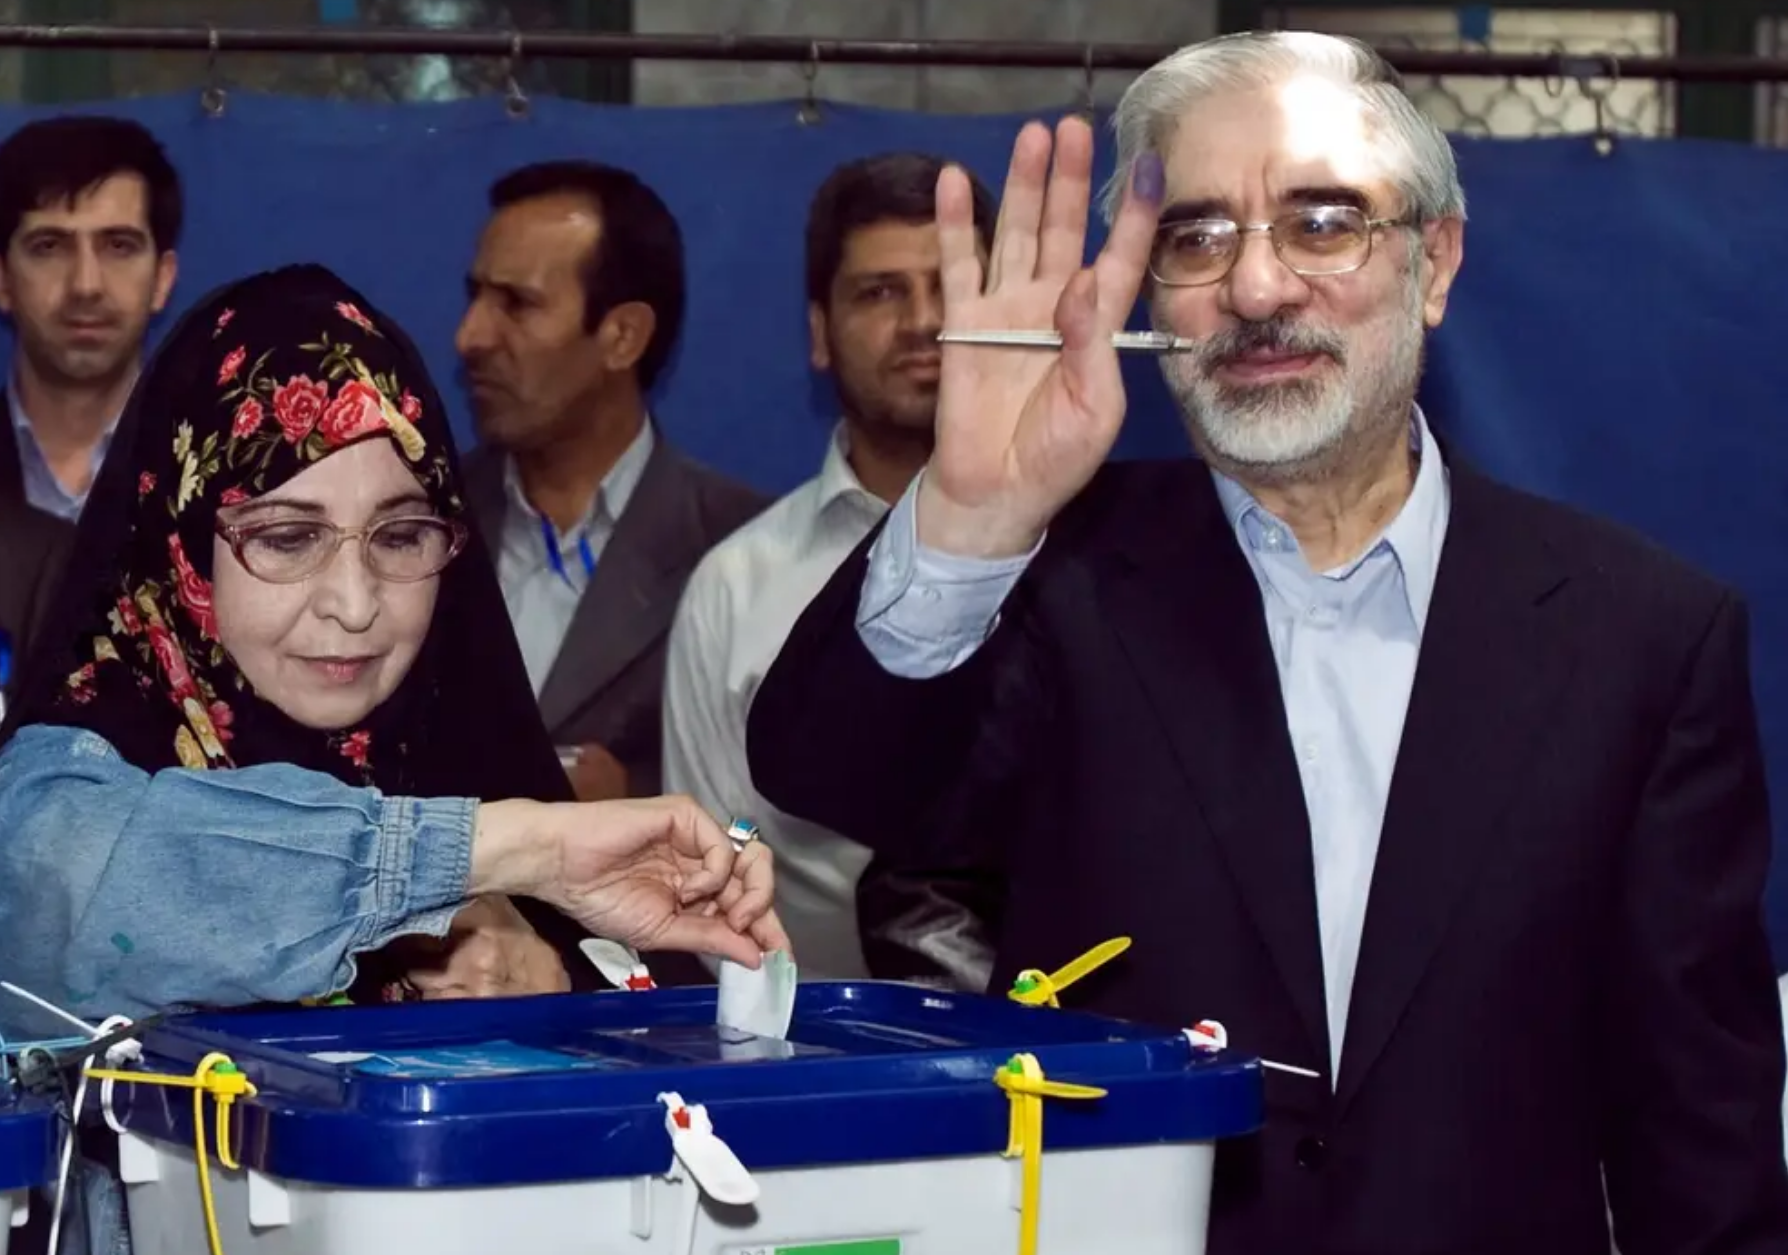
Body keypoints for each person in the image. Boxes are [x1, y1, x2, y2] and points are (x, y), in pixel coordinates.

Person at [746, 30, 1788, 1255]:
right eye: (1195, 238)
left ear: (1434, 261)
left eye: (1324, 221)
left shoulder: (1642, 640)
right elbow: (821, 771)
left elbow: (1700, 1142)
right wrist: (971, 520)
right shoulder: (1054, 585)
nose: (1254, 290)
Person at [0, 263, 785, 1041]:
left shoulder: (462, 751)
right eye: (286, 536)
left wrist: (556, 984)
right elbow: (73, 878)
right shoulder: (75, 773)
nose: (355, 603)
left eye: (402, 534)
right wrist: (508, 851)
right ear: (182, 548)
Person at [661, 152, 996, 981]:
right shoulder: (736, 587)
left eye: (952, 286)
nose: (924, 321)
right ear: (819, 332)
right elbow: (712, 881)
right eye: (881, 291)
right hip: (816, 1070)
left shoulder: (1102, 564)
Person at [457, 160, 766, 804]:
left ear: (623, 336)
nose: (471, 337)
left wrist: (649, 805)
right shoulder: (415, 521)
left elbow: (780, 834)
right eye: (476, 297)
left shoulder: (748, 556)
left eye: (517, 303)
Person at [0, 115, 180, 522]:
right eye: (49, 246)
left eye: (118, 245)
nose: (85, 285)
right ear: (3, 280)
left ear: (162, 280)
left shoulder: (226, 479)